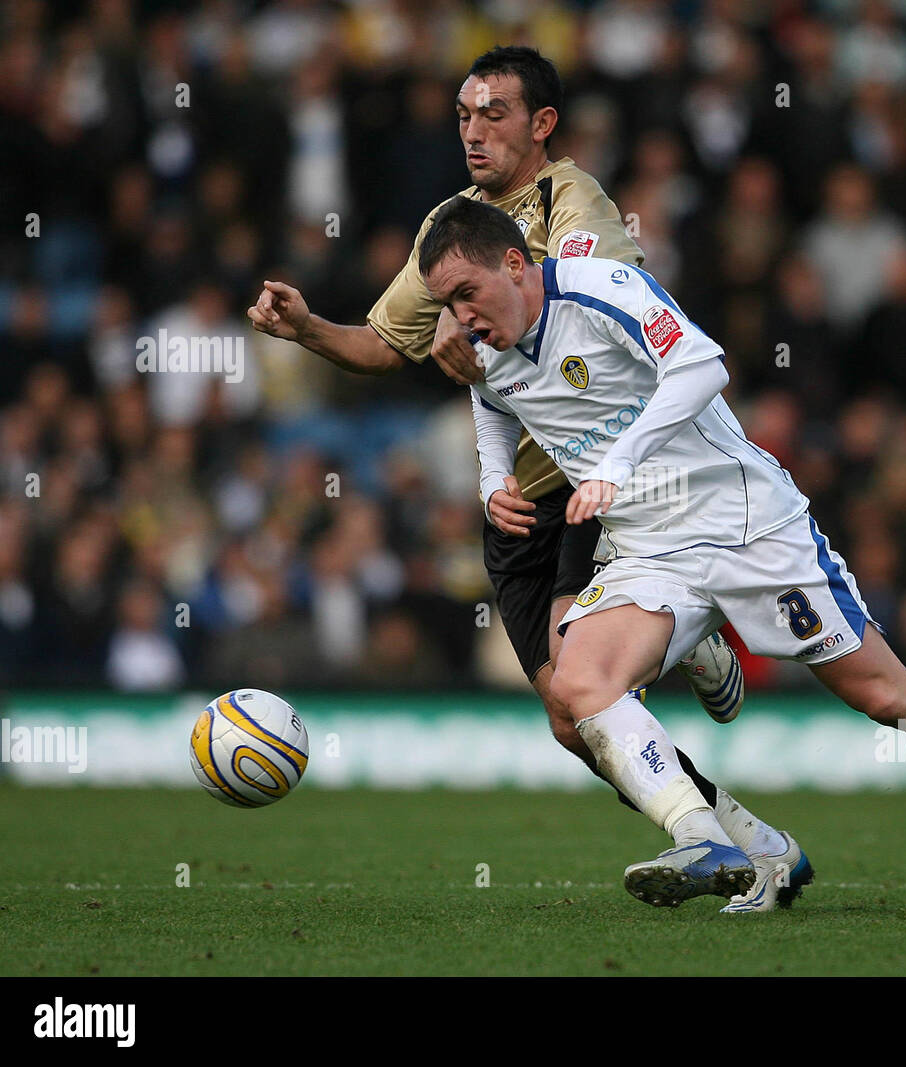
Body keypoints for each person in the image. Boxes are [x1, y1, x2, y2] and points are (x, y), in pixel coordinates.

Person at [419, 195, 906, 913]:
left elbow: (702, 365)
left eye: (466, 293)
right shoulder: (478, 339)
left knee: (885, 693)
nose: (458, 317)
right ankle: (708, 839)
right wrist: (494, 478)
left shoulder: (597, 288)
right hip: (649, 547)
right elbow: (494, 401)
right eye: (445, 302)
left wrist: (616, 463)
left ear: (516, 262)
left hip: (746, 525)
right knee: (578, 681)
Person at [248, 47, 811, 911]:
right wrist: (305, 328)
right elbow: (378, 344)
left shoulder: (575, 205)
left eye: (494, 114)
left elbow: (590, 306)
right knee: (567, 716)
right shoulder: (450, 228)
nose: (473, 131)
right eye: (465, 115)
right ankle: (756, 842)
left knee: (587, 682)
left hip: (598, 482)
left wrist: (474, 339)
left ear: (542, 124)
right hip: (519, 492)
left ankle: (694, 706)